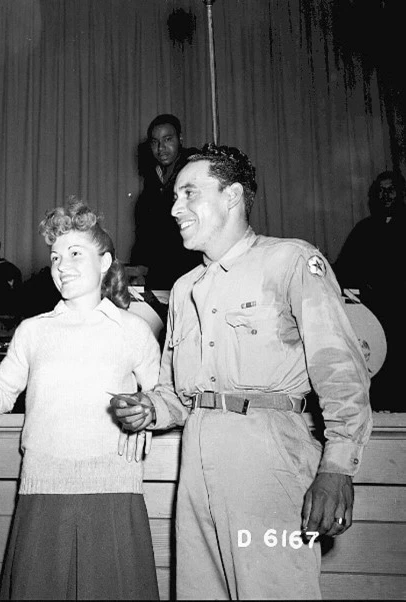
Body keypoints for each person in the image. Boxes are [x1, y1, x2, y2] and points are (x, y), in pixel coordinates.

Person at [112, 144, 373, 599]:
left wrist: (337, 468)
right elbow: (178, 393)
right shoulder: (184, 288)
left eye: (189, 193)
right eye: (175, 196)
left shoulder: (290, 261)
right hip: (197, 462)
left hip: (269, 462)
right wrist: (149, 408)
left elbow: (341, 371)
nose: (175, 208)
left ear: (232, 196)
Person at [0, 200, 161, 599]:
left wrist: (146, 412)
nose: (61, 265)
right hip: (43, 487)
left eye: (75, 253)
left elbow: (163, 398)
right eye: (54, 257)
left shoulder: (134, 330)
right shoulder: (33, 331)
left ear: (105, 263)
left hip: (114, 487)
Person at [334, 170, 406, 411]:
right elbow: (345, 269)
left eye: (391, 190)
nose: (385, 195)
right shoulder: (365, 228)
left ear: (402, 193)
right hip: (371, 316)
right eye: (381, 191)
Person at [130, 113, 201, 289]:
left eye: (168, 139)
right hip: (161, 273)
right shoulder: (153, 180)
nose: (161, 148)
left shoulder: (195, 168)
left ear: (180, 139)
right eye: (155, 142)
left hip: (190, 270)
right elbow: (147, 235)